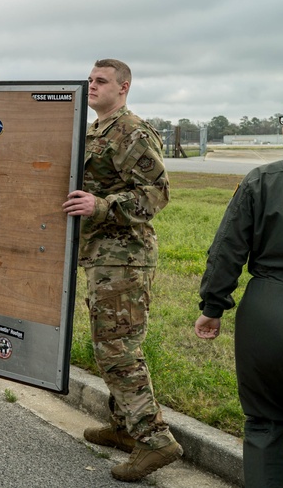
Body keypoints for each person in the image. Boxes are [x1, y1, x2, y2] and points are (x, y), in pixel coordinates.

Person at [62, 59, 183, 481]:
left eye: (101, 81)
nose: (91, 86)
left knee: (118, 349)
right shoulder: (97, 129)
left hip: (124, 258)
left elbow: (157, 193)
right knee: (108, 344)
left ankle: (155, 441)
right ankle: (124, 429)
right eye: (90, 79)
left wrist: (101, 206)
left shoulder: (130, 130)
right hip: (102, 255)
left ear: (124, 87)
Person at [195, 93, 283, 486]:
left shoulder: (262, 179)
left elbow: (227, 249)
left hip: (270, 308)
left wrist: (213, 306)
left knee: (265, 425)